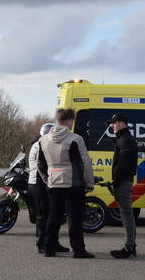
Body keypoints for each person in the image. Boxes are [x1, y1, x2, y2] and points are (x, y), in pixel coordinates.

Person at [39, 108, 94, 259]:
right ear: (69, 120)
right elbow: (85, 162)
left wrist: (47, 179)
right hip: (73, 183)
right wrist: (89, 182)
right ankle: (78, 250)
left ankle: (49, 247)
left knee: (54, 216)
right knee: (74, 217)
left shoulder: (43, 140)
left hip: (53, 183)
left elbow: (40, 164)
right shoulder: (75, 139)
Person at [28, 122, 67, 253]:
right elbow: (40, 166)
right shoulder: (39, 144)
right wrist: (48, 181)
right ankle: (42, 244)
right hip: (38, 183)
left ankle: (53, 242)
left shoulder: (41, 143)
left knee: (52, 214)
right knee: (43, 215)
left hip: (42, 183)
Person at [107, 114, 137, 259]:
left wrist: (115, 182)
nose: (112, 126)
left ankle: (129, 246)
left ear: (121, 123)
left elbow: (123, 165)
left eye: (114, 123)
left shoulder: (125, 140)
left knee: (126, 214)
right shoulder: (124, 139)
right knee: (127, 213)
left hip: (123, 182)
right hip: (124, 181)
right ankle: (131, 245)